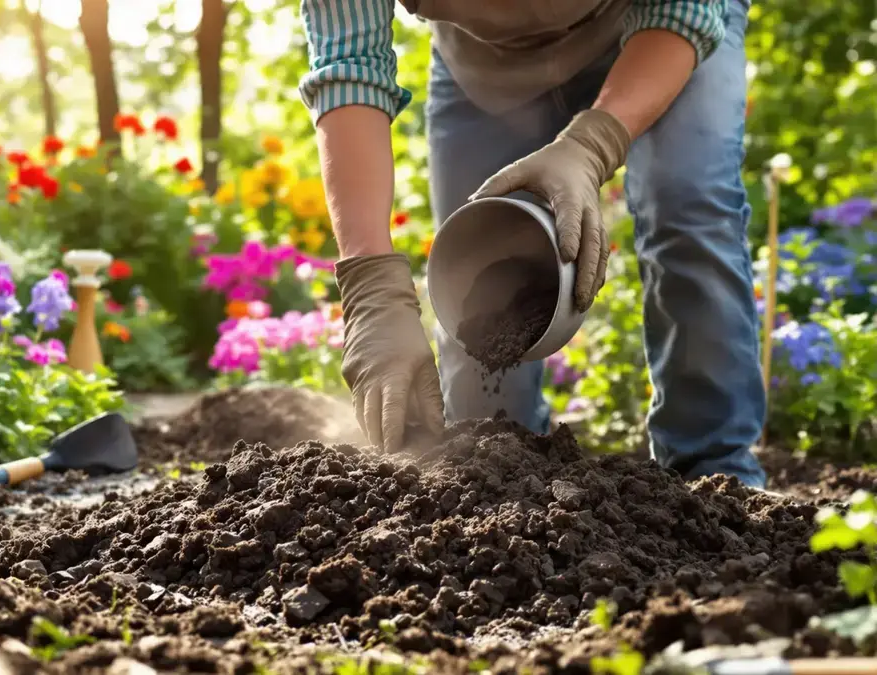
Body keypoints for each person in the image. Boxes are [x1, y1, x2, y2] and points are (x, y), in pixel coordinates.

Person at [299, 0, 768, 488]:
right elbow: (347, 65)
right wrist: (370, 289)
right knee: (477, 272)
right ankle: (503, 490)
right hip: (485, 65)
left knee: (686, 205)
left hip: (659, 30)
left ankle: (718, 479)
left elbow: (686, 10)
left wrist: (592, 146)